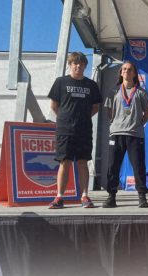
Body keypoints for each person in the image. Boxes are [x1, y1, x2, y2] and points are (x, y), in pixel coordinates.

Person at [46, 52, 102, 209]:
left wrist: (82, 118)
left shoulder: (91, 85)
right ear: (70, 65)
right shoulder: (60, 82)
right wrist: (65, 118)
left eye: (81, 63)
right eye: (75, 63)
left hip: (84, 129)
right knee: (65, 162)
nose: (78, 66)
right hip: (65, 130)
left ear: (85, 66)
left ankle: (84, 196)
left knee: (83, 162)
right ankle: (59, 197)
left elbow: (95, 107)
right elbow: (54, 106)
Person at [103, 61, 148, 208]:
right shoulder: (113, 91)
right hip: (116, 133)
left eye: (130, 69)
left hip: (135, 134)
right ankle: (111, 197)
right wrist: (117, 123)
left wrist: (136, 124)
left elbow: (147, 114)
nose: (126, 71)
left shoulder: (141, 92)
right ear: (120, 72)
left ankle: (142, 196)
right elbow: (109, 112)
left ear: (134, 73)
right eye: (124, 69)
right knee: (113, 166)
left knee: (138, 167)